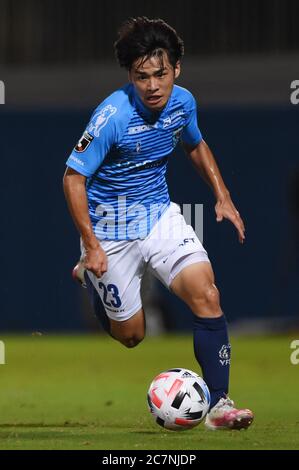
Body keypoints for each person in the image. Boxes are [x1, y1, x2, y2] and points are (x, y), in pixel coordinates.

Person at [63, 17, 253, 430]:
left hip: (159, 216)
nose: (152, 86)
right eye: (141, 76)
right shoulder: (111, 116)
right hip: (109, 229)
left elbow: (195, 144)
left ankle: (219, 405)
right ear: (130, 75)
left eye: (160, 74)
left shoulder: (183, 102)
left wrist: (223, 196)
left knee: (208, 294)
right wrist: (91, 245)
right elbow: (73, 177)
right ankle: (91, 278)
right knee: (131, 335)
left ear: (176, 69)